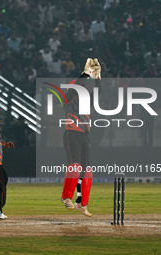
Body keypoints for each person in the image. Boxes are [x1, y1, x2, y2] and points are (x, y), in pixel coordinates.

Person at [61, 58, 101, 217]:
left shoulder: (86, 99)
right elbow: (77, 86)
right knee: (75, 166)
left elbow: (98, 94)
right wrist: (86, 74)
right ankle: (66, 197)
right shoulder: (69, 98)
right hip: (71, 133)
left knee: (87, 170)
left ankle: (81, 202)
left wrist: (98, 78)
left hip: (84, 134)